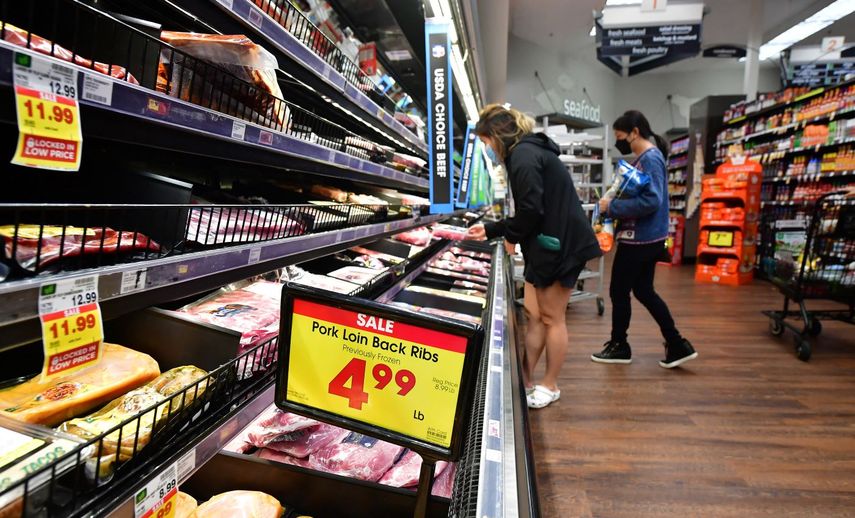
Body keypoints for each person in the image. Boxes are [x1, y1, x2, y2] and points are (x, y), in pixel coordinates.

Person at [467, 104, 601, 409]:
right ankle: (525, 377)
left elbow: (531, 210)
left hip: (560, 246)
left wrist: (508, 234)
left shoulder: (524, 157)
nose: (487, 150)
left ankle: (550, 385)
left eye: (486, 143)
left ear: (497, 136)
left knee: (553, 317)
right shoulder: (527, 152)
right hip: (545, 243)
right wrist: (495, 230)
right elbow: (531, 209)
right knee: (533, 314)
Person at [592, 110, 697, 368]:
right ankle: (676, 344)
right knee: (643, 290)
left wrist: (612, 208)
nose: (621, 143)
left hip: (640, 239)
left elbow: (652, 200)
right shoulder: (646, 158)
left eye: (621, 137)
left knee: (619, 290)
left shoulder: (650, 159)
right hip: (646, 237)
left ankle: (620, 346)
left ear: (635, 132)